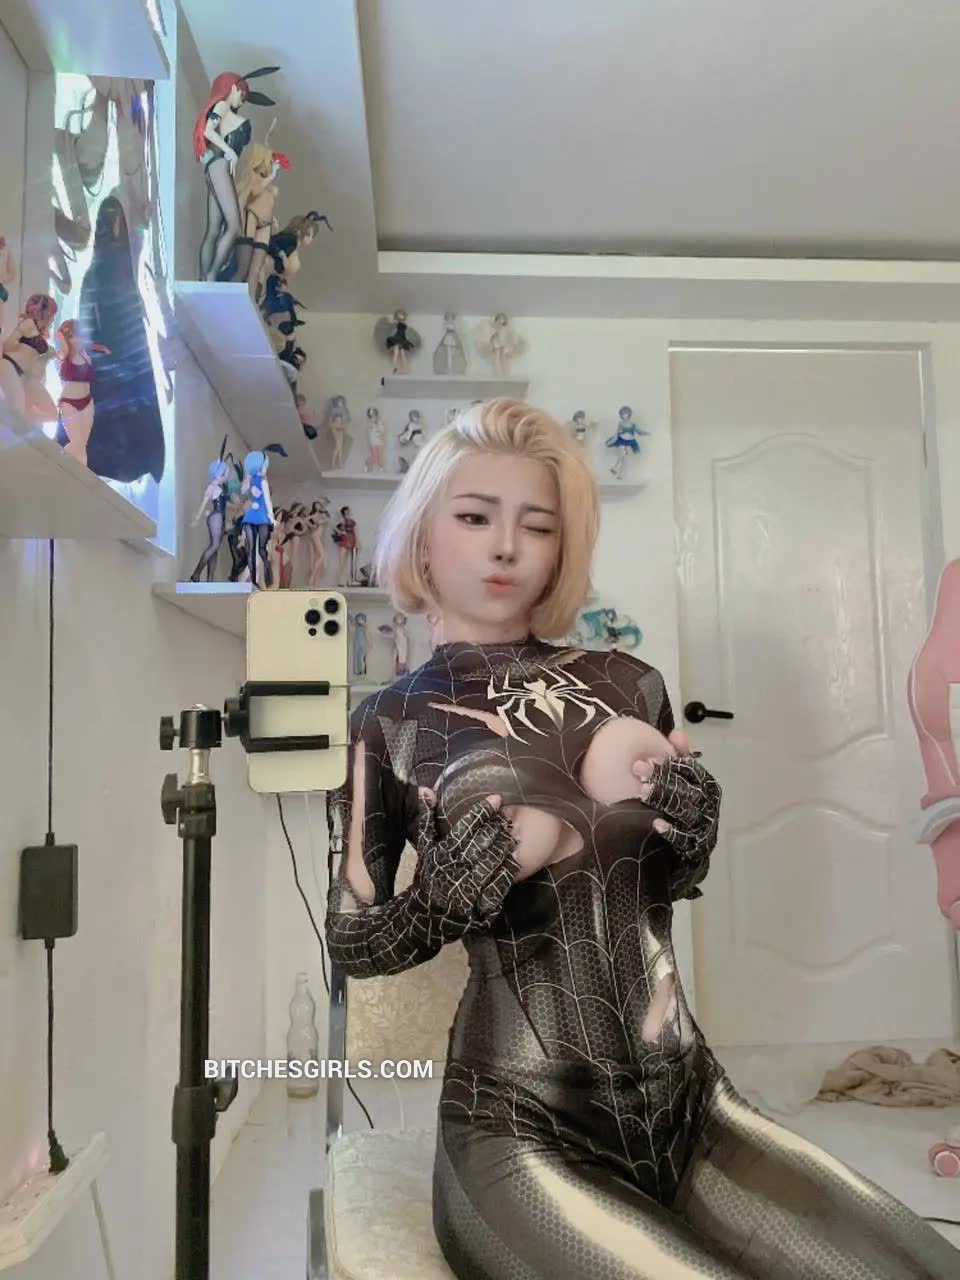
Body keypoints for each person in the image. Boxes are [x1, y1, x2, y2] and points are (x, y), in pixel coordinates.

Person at [324, 399, 958, 1279]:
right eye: (474, 518)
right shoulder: (388, 721)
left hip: (694, 1111)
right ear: (423, 537)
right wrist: (439, 901)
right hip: (516, 1135)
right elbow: (353, 940)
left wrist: (692, 834)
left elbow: (664, 880)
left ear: (562, 549)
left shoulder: (630, 684)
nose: (506, 546)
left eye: (537, 525)